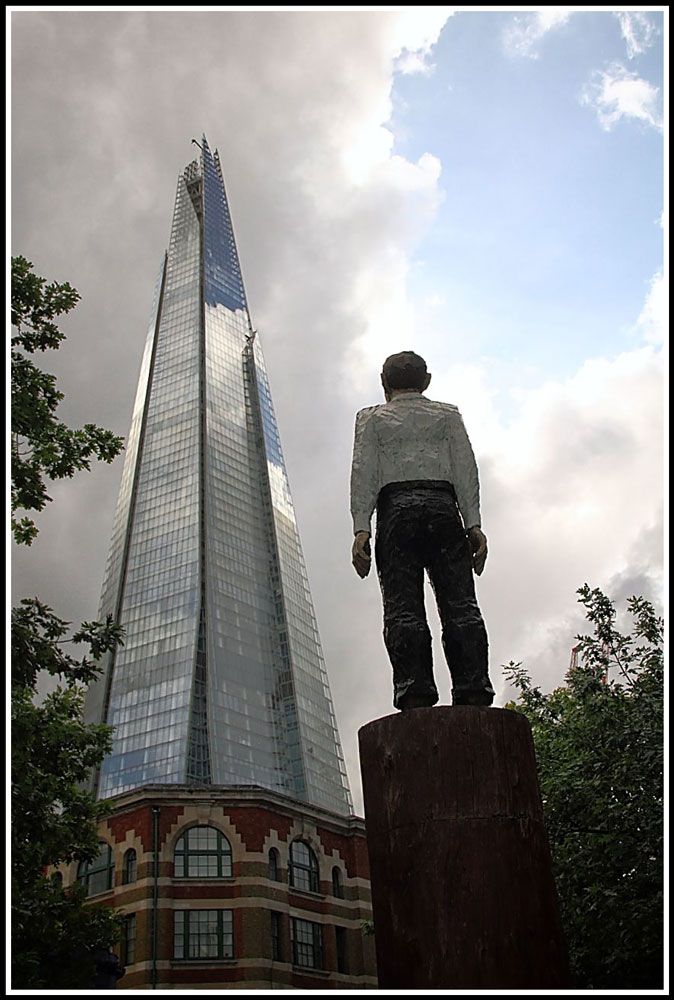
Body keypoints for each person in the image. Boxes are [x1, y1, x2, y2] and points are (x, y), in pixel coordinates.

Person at [350, 351, 495, 711]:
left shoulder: (371, 419)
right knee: (460, 603)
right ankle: (472, 686)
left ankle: (413, 689)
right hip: (444, 509)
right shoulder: (448, 415)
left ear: (384, 384)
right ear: (426, 381)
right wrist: (473, 523)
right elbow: (466, 469)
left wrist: (360, 528)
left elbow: (363, 471)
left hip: (396, 511)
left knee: (402, 607)